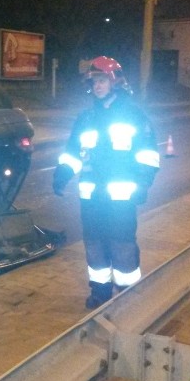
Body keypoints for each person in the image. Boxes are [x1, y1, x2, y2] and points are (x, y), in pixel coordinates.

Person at [52, 56, 160, 310]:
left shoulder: (133, 115)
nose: (97, 85)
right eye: (94, 81)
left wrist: (143, 183)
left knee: (122, 245)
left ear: (115, 82)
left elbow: (148, 154)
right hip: (91, 197)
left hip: (121, 199)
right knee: (94, 245)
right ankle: (100, 291)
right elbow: (72, 152)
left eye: (101, 80)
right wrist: (62, 175)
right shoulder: (86, 118)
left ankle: (128, 294)